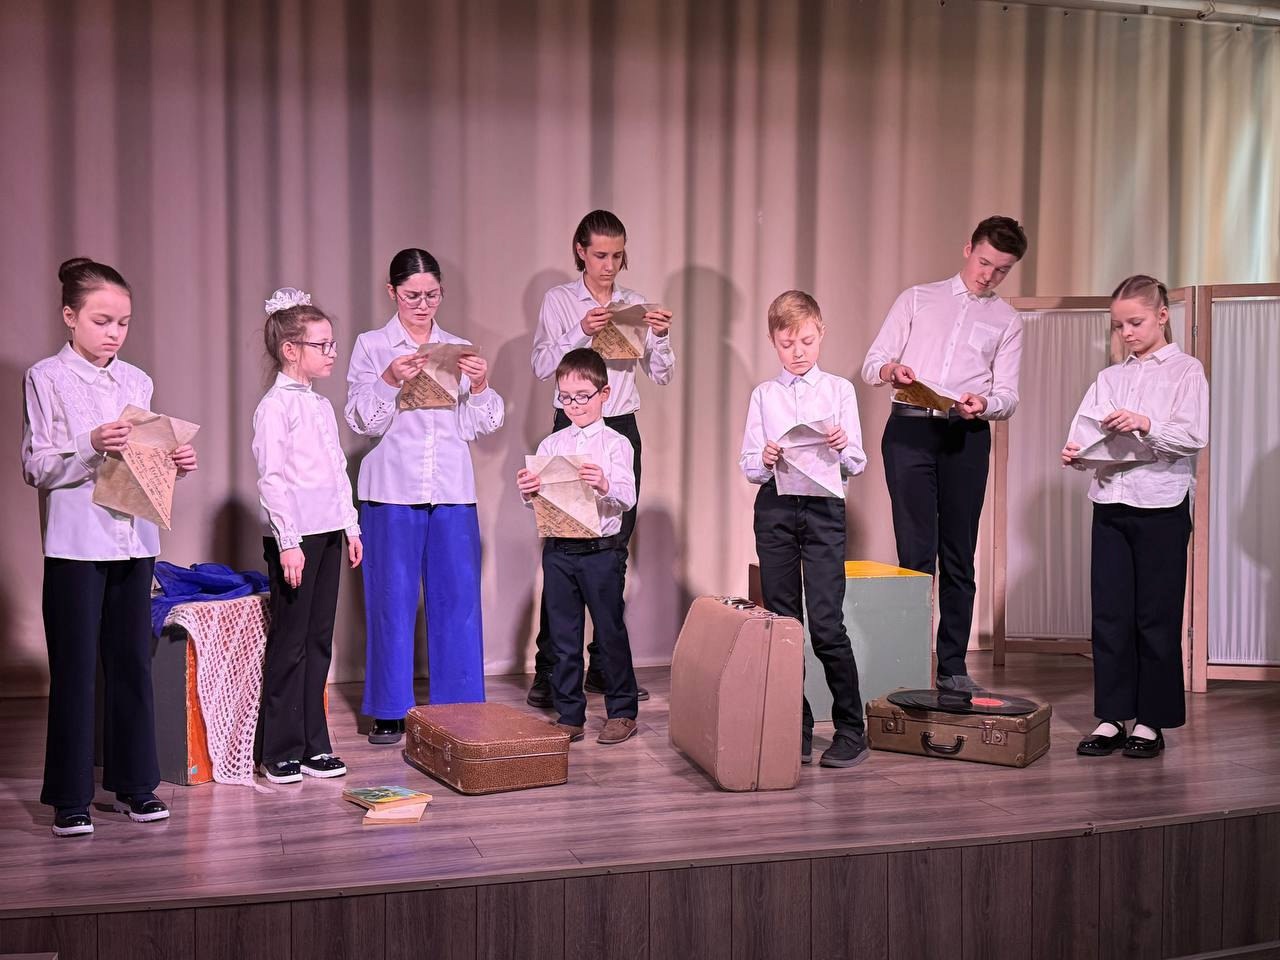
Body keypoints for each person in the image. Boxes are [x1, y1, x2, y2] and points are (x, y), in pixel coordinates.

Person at [23, 257, 199, 837]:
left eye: (123, 322)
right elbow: (35, 467)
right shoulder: (46, 377)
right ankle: (70, 797)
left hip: (134, 538)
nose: (114, 333)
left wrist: (174, 462)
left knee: (131, 664)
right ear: (69, 316)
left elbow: (142, 464)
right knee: (75, 671)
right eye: (102, 321)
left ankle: (135, 785)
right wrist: (89, 443)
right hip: (76, 544)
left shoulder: (137, 381)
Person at [861, 216, 1028, 692]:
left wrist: (985, 404)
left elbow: (1009, 395)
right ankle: (910, 662)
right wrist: (892, 370)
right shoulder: (918, 298)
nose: (989, 276)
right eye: (984, 262)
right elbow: (873, 364)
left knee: (959, 553)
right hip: (910, 429)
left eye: (1002, 269)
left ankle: (952, 666)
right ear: (967, 248)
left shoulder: (1007, 321)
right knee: (916, 554)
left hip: (965, 434)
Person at [346, 249, 504, 745]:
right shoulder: (372, 345)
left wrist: (480, 384)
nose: (422, 304)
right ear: (392, 292)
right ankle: (389, 708)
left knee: (458, 600)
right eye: (412, 295)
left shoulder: (456, 348)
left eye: (431, 295)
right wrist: (389, 380)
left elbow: (478, 426)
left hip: (452, 489)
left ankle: (460, 706)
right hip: (390, 491)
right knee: (391, 601)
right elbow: (361, 421)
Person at [525, 210, 674, 708]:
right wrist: (580, 332)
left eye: (617, 256)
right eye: (601, 255)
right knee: (562, 544)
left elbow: (661, 375)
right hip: (570, 425)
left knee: (613, 549)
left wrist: (659, 337)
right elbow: (542, 365)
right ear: (581, 252)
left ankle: (605, 667)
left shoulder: (633, 302)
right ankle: (550, 671)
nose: (609, 266)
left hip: (619, 426)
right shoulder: (560, 301)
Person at [1064, 275, 1207, 759]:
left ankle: (1150, 721)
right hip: (1110, 502)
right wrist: (1076, 454)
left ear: (1162, 316)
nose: (1126, 333)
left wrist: (1145, 423)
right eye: (1119, 325)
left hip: (1161, 506)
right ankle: (1111, 717)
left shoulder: (1186, 371)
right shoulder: (1109, 378)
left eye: (1136, 322)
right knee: (1110, 615)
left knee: (1155, 617)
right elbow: (1088, 436)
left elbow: (1193, 437)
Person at [740, 291, 870, 767]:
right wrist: (764, 457)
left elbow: (857, 461)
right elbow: (749, 466)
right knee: (783, 624)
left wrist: (841, 444)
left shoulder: (838, 390)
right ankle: (794, 724)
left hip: (822, 510)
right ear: (773, 341)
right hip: (776, 509)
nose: (798, 352)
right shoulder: (764, 395)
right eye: (787, 343)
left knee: (826, 624)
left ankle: (851, 729)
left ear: (821, 334)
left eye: (807, 341)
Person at [253, 287, 362, 783]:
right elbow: (273, 479)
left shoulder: (319, 406)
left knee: (319, 642)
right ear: (290, 350)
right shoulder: (275, 407)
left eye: (332, 343)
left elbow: (337, 472)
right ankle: (280, 748)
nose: (332, 352)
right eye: (322, 345)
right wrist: (288, 542)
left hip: (328, 533)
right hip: (295, 541)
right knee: (290, 644)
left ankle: (316, 744)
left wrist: (350, 525)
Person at [516, 348, 640, 745]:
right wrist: (529, 491)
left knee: (609, 632)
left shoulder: (617, 443)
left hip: (601, 551)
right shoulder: (552, 444)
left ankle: (622, 712)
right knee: (564, 637)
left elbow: (628, 497)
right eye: (566, 397)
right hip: (560, 551)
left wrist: (604, 483)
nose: (574, 405)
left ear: (604, 394)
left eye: (583, 396)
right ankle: (570, 714)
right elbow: (539, 501)